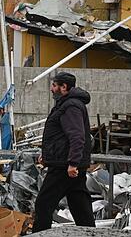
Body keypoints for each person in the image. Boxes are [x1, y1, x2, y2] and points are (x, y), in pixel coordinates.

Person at [32, 71, 95, 232]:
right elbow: (59, 136)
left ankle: (40, 234)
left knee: (43, 204)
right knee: (80, 206)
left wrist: (73, 163)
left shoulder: (70, 106)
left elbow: (77, 136)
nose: (51, 89)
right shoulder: (66, 104)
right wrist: (46, 155)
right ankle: (90, 233)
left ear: (64, 87)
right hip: (67, 164)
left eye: (54, 85)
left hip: (64, 167)